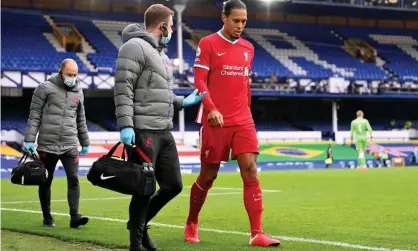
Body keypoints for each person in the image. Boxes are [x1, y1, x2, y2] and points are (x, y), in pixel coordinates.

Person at [184, 0, 280, 247]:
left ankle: (257, 233)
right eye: (236, 20)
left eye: (244, 21)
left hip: (242, 120)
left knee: (250, 169)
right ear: (223, 17)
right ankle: (192, 221)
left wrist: (247, 114)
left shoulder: (248, 47)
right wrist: (212, 109)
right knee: (208, 175)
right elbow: (200, 81)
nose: (240, 26)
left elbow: (245, 86)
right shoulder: (208, 44)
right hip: (215, 120)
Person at [113, 4, 206, 251]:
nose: (173, 30)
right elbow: (123, 88)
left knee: (173, 185)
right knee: (143, 188)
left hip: (164, 130)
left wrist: (182, 102)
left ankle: (138, 224)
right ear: (163, 25)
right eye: (172, 25)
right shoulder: (133, 47)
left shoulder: (162, 56)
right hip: (143, 130)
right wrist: (126, 125)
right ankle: (136, 242)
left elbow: (160, 94)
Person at [23, 58, 90, 228]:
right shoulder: (44, 88)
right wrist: (29, 139)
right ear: (61, 72)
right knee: (45, 181)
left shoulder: (79, 92)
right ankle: (47, 216)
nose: (72, 78)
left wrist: (85, 142)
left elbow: (81, 120)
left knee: (74, 178)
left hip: (70, 145)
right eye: (69, 74)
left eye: (75, 75)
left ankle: (75, 217)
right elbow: (34, 115)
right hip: (47, 145)